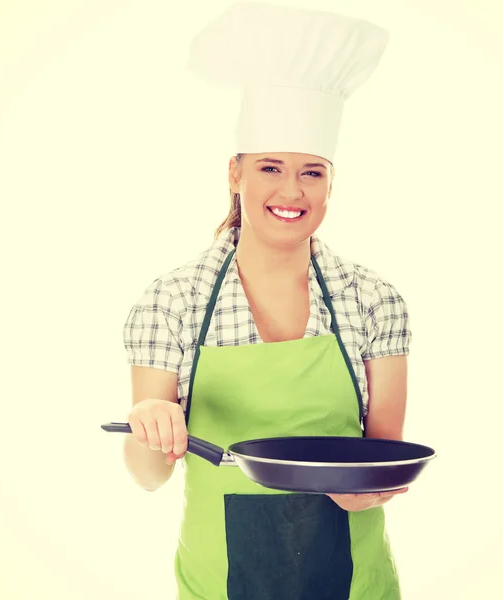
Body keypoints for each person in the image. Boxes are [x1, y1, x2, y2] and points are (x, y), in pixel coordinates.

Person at [121, 3, 411, 599]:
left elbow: (380, 458)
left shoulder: (375, 300)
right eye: (270, 167)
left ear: (332, 182)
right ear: (235, 173)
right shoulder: (172, 300)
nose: (290, 190)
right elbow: (149, 476)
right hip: (220, 579)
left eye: (311, 172)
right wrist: (150, 431)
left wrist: (369, 489)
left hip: (353, 577)